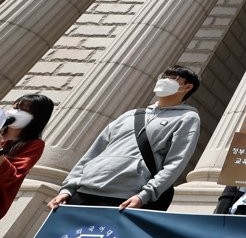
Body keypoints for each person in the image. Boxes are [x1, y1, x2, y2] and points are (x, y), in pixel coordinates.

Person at [48, 65, 201, 211]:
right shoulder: (131, 115)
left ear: (187, 87)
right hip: (84, 190)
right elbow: (94, 153)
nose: (164, 80)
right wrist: (67, 189)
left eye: (173, 78)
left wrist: (144, 196)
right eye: (163, 76)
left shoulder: (187, 118)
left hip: (126, 197)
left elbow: (175, 162)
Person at [0, 94, 55, 217]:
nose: (15, 112)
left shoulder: (34, 144)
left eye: (24, 110)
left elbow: (12, 176)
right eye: (16, 107)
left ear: (36, 118)